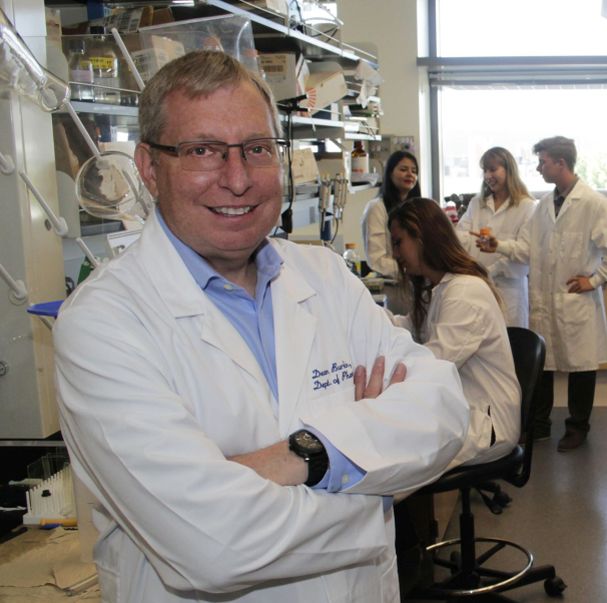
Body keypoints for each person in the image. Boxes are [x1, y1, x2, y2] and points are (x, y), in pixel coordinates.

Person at [53, 51, 469, 602]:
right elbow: (212, 544)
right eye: (202, 150)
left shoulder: (323, 276)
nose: (238, 179)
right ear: (150, 168)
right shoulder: (101, 323)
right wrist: (375, 480)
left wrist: (294, 456)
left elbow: (442, 409)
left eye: (256, 149)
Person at [475, 136, 607, 452]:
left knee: (581, 366)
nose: (538, 167)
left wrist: (596, 279)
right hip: (545, 297)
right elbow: (527, 249)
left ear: (560, 163)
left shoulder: (593, 203)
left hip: (576, 298)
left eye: (543, 161)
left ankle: (578, 427)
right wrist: (499, 246)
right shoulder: (546, 204)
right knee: (544, 364)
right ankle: (539, 425)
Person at [389, 197, 521, 467]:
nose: (395, 253)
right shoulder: (441, 287)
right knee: (386, 449)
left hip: (485, 424)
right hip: (461, 411)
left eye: (398, 242)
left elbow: (434, 365)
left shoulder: (463, 292)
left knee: (390, 464)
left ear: (421, 237)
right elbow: (407, 326)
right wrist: (361, 314)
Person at [457, 147, 537, 328]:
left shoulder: (527, 207)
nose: (488, 175)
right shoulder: (478, 203)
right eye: (485, 170)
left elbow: (526, 252)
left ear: (509, 170)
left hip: (509, 293)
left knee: (511, 348)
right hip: (476, 287)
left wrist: (497, 252)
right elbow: (461, 235)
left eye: (493, 169)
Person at [363, 150, 421, 315]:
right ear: (390, 173)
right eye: (403, 169)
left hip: (417, 286)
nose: (409, 174)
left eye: (414, 171)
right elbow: (376, 259)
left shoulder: (417, 207)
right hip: (394, 290)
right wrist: (414, 268)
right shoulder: (376, 208)